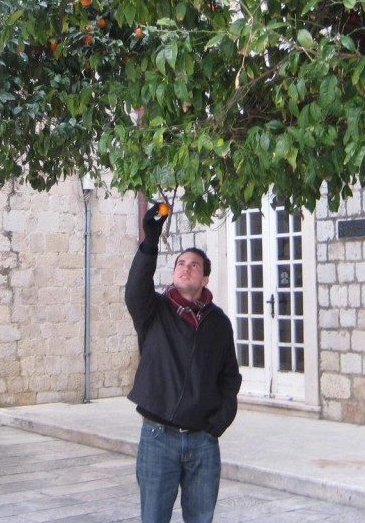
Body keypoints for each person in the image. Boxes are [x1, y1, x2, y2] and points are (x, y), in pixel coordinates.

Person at [125, 203, 242, 523]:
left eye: (194, 265)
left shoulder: (218, 323)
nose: (185, 268)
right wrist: (151, 240)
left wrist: (216, 424)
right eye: (180, 263)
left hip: (202, 440)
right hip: (158, 437)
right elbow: (135, 289)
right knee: (153, 517)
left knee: (201, 517)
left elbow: (230, 378)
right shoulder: (154, 311)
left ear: (205, 277)